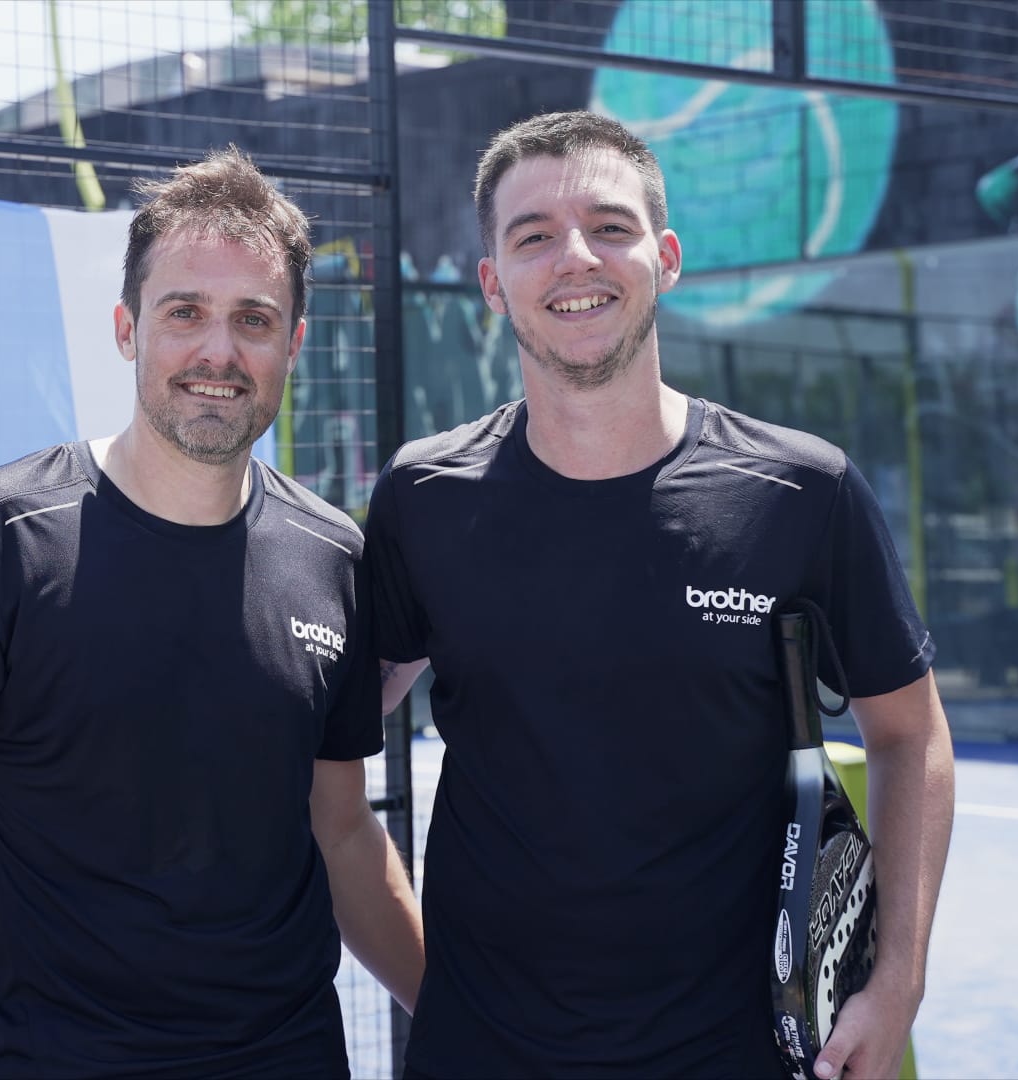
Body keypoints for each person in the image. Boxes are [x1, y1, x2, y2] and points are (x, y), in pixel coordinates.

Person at [365, 112, 955, 1079]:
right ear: (490, 282)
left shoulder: (802, 492)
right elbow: (320, 738)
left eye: (610, 226)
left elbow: (910, 735)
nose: (576, 258)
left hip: (740, 1049)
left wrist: (898, 983)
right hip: (483, 1049)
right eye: (534, 237)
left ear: (666, 256)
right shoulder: (423, 497)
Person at [0, 147, 423, 1079]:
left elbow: (341, 828)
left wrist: (465, 1013)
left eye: (253, 320)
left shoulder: (333, 554)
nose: (218, 351)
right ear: (127, 327)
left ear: (293, 344)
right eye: (185, 312)